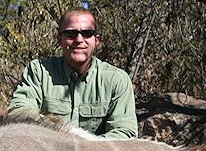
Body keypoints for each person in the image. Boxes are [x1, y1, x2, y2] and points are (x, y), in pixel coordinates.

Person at [7, 7, 138, 139]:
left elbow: (125, 132)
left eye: (87, 33)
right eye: (71, 34)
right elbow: (18, 112)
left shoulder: (117, 79)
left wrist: (85, 145)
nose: (79, 40)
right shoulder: (39, 71)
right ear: (60, 40)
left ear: (96, 40)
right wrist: (63, 133)